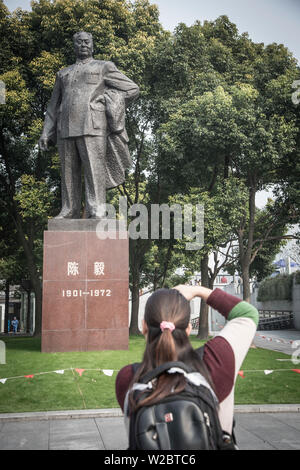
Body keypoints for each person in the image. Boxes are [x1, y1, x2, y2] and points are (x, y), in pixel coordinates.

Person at [115, 284, 258, 446]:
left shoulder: (128, 378)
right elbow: (247, 313)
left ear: (144, 326)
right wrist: (197, 291)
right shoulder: (217, 359)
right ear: (188, 328)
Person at [39, 31, 139, 219]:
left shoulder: (104, 67)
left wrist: (109, 99)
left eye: (87, 42)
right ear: (74, 46)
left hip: (93, 126)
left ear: (92, 45)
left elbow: (132, 89)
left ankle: (97, 209)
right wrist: (46, 132)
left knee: (94, 169)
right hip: (65, 129)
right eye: (79, 42)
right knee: (68, 172)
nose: (83, 45)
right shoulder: (63, 74)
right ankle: (69, 209)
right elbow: (53, 106)